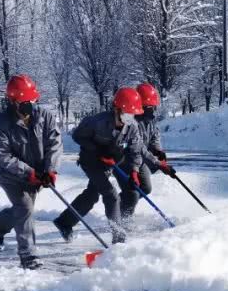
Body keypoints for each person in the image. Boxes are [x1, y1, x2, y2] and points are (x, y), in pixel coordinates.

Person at [53, 87, 173, 244]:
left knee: (97, 194)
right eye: (127, 114)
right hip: (91, 161)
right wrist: (97, 150)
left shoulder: (132, 127)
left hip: (112, 161)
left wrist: (135, 172)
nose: (130, 118)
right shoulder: (97, 122)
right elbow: (77, 135)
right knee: (111, 195)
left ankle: (64, 221)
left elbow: (136, 151)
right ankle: (119, 240)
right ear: (116, 109)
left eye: (133, 115)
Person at [0, 74, 62, 270]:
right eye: (23, 102)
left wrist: (50, 170)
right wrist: (30, 173)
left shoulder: (45, 117)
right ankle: (28, 256)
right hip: (10, 175)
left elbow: (55, 143)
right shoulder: (1, 125)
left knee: (22, 210)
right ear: (12, 101)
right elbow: (4, 157)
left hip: (38, 173)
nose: (29, 105)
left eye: (32, 100)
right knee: (25, 207)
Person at [121, 83, 168, 225]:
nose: (152, 110)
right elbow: (139, 146)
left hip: (141, 159)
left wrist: (158, 150)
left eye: (153, 106)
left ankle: (119, 204)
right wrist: (156, 162)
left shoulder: (151, 120)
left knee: (146, 188)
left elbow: (155, 137)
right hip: (128, 158)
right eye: (148, 107)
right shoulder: (132, 122)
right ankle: (124, 217)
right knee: (133, 191)